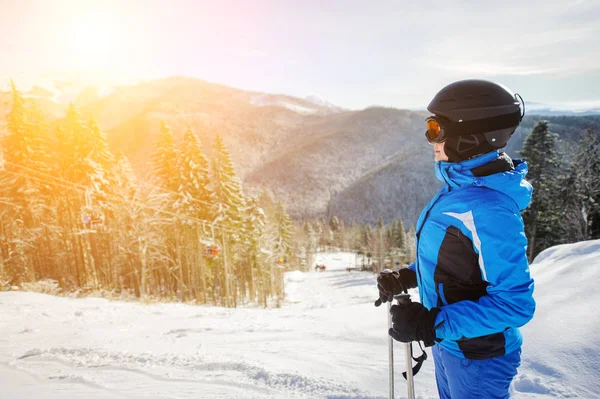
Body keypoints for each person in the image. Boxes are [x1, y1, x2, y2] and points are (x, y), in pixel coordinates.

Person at [375, 79, 536, 399]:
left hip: (479, 357)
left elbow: (515, 305)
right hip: (453, 345)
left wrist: (430, 325)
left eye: (436, 129)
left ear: (470, 138)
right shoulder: (464, 191)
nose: (430, 139)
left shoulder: (489, 209)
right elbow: (455, 264)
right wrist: (408, 276)